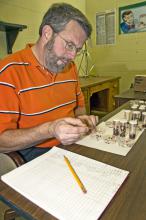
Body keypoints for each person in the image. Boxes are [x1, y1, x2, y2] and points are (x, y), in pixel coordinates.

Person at [0, 3, 97, 161]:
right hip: (31, 152)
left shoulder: (69, 66)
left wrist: (82, 120)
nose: (72, 56)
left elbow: (79, 107)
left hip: (71, 144)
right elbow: (1, 141)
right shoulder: (8, 71)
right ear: (47, 33)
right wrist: (50, 129)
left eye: (77, 49)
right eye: (69, 45)